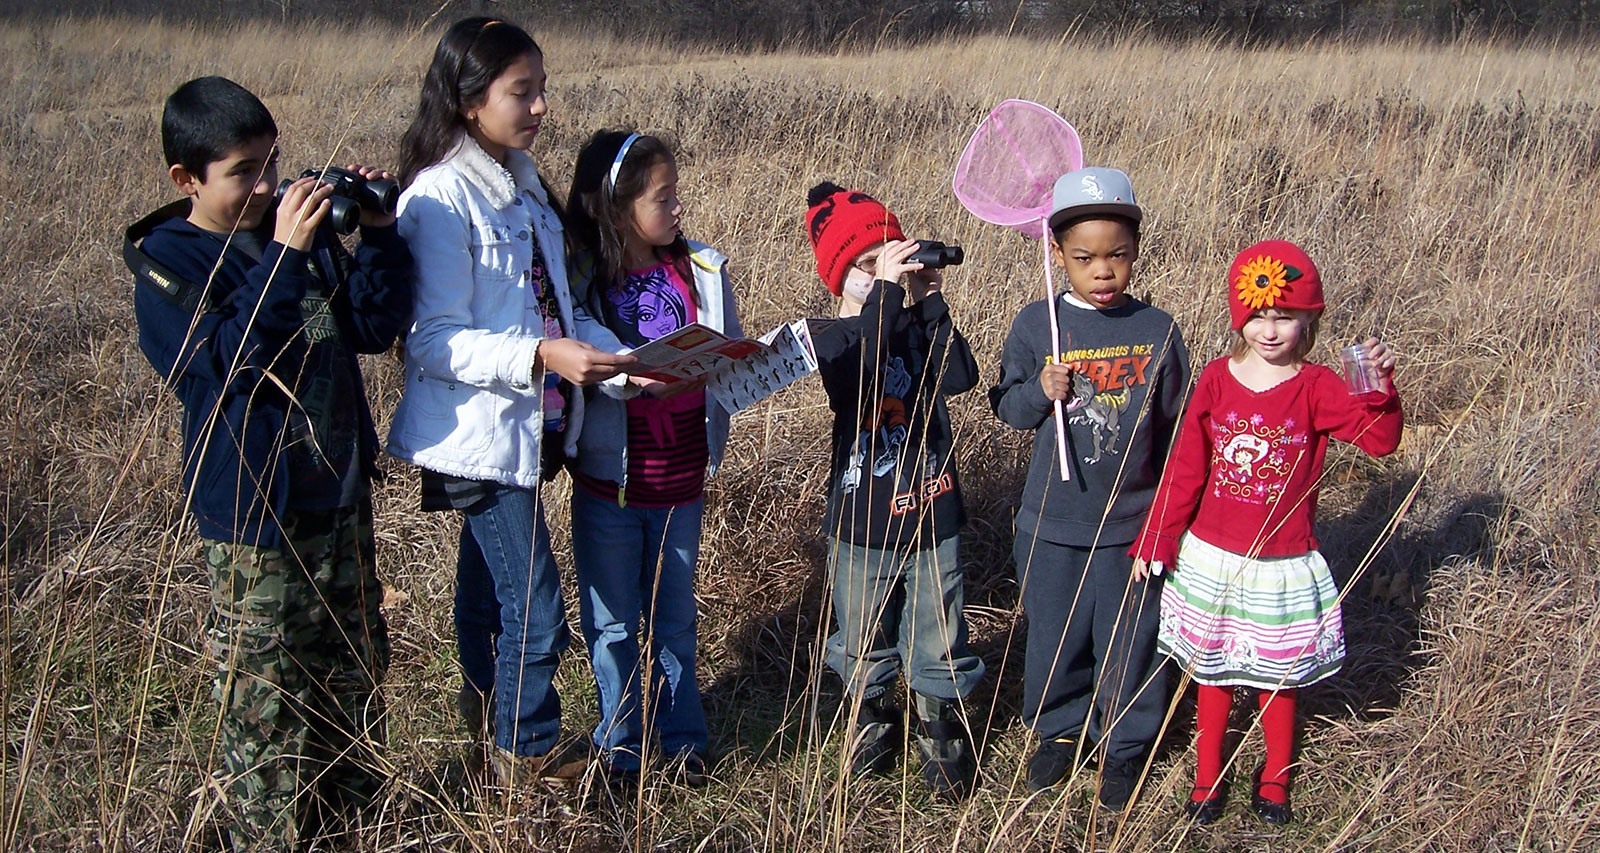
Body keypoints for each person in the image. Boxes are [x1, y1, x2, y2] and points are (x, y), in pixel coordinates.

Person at [127, 75, 411, 848]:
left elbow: (371, 324)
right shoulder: (167, 261)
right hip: (257, 520)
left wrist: (378, 234)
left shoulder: (299, 232)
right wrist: (283, 254)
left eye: (272, 162)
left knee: (352, 675)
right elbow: (225, 365)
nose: (265, 184)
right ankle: (267, 835)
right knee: (266, 697)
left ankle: (354, 823)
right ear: (186, 179)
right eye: (243, 171)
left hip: (338, 494)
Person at [386, 16, 633, 785]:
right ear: (467, 100)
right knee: (537, 610)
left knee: (490, 593)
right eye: (521, 93)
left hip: (530, 427)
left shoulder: (524, 184)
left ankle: (488, 717)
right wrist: (538, 355)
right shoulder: (437, 198)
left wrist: (623, 358)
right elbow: (432, 341)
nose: (540, 108)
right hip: (477, 434)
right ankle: (528, 759)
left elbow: (552, 306)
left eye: (542, 91)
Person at [1130, 239, 1401, 825]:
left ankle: (1275, 773)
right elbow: (1186, 468)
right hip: (1212, 557)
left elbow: (1380, 441)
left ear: (1311, 319)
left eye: (1286, 317)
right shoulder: (1217, 380)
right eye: (1257, 316)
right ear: (1239, 317)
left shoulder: (1320, 385)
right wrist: (1158, 537)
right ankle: (1208, 774)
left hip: (1280, 560)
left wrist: (1379, 388)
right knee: (1212, 670)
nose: (1270, 330)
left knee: (1277, 679)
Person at [989, 167, 1190, 810]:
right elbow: (1009, 409)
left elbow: (1177, 428)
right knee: (1055, 632)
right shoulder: (1036, 325)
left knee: (1130, 638)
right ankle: (1059, 730)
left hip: (1132, 523)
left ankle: (1126, 746)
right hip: (1052, 521)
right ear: (1056, 254)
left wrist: (1169, 515)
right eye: (1084, 258)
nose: (1103, 272)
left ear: (1135, 251)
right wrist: (1039, 390)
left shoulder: (1158, 330)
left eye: (1117, 256)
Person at [563, 130, 741, 786]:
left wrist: (749, 361)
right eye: (662, 199)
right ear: (616, 210)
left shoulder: (704, 270)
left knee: (674, 617)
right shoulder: (582, 281)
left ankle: (683, 739)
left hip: (681, 479)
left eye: (677, 196)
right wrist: (625, 373)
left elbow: (730, 353)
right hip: (609, 484)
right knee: (611, 623)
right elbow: (578, 356)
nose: (677, 210)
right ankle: (621, 749)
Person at [805, 181, 985, 801]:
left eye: (891, 252)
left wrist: (928, 301)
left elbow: (961, 377)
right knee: (861, 632)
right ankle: (871, 721)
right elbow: (856, 379)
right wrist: (882, 292)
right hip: (862, 522)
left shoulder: (912, 324)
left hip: (933, 513)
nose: (884, 269)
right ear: (842, 277)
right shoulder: (832, 337)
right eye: (864, 264)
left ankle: (943, 729)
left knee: (941, 627)